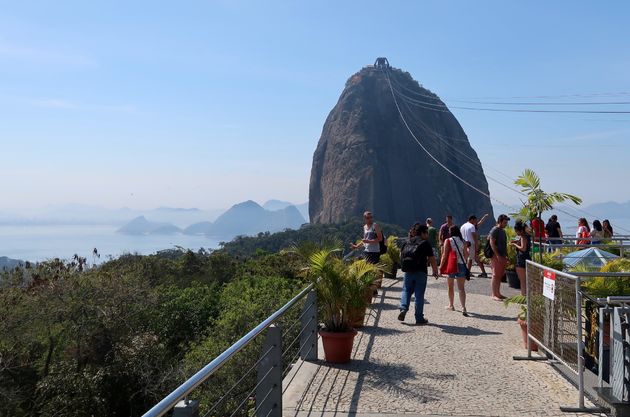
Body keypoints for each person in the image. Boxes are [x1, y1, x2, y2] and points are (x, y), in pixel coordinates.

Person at [398, 223, 439, 325]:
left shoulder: (407, 241)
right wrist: (435, 271)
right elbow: (432, 258)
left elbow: (401, 255)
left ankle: (403, 308)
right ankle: (419, 318)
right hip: (421, 271)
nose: (428, 235)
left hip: (408, 271)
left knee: (406, 290)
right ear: (423, 233)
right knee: (419, 294)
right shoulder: (425, 243)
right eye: (427, 233)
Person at [440, 225, 469, 316]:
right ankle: (463, 307)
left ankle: (451, 305)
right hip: (461, 265)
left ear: (450, 232)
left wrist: (440, 266)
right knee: (461, 288)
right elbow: (466, 255)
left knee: (450, 286)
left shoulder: (448, 240)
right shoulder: (463, 241)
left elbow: (445, 255)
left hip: (451, 265)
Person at [489, 214, 510, 301]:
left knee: (499, 275)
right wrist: (497, 255)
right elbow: (492, 242)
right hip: (496, 256)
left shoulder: (502, 231)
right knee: (495, 274)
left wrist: (506, 255)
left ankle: (498, 293)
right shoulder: (495, 230)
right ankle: (494, 294)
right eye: (505, 222)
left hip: (502, 255)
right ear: (500, 221)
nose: (506, 224)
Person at [510, 220, 531, 296]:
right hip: (527, 257)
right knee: (525, 278)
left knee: (522, 279)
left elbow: (523, 248)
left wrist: (515, 245)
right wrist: (516, 242)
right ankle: (525, 294)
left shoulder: (523, 236)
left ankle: (523, 294)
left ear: (521, 230)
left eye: (517, 231)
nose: (516, 233)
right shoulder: (527, 235)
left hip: (521, 258)